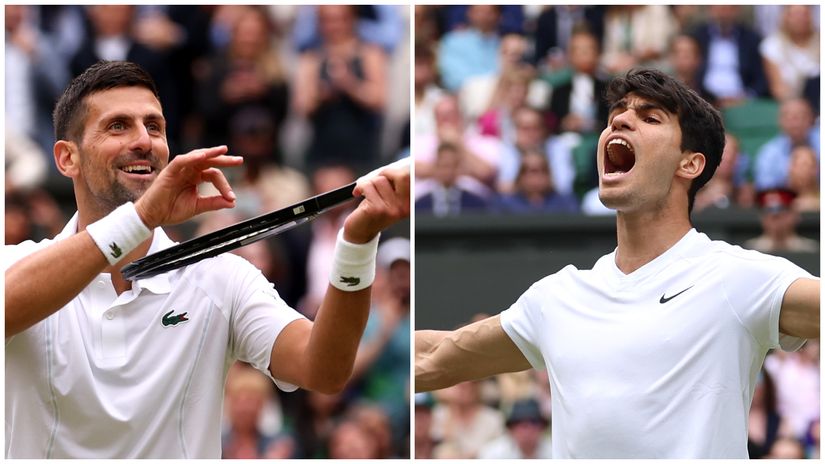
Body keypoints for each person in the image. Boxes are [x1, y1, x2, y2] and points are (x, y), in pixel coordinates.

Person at [4, 61, 410, 458]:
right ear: (67, 158)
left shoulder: (222, 278)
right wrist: (141, 218)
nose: (144, 140)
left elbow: (324, 370)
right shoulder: (16, 266)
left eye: (155, 126)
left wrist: (358, 241)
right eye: (118, 125)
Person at [415, 69, 820, 458]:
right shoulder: (556, 299)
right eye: (616, 114)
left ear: (690, 164)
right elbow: (429, 359)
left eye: (650, 117)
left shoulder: (739, 278)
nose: (621, 121)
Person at [745, 188, 818, 254]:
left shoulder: (810, 249)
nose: (776, 217)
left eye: (783, 210)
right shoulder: (750, 250)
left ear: (796, 215)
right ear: (762, 217)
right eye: (769, 211)